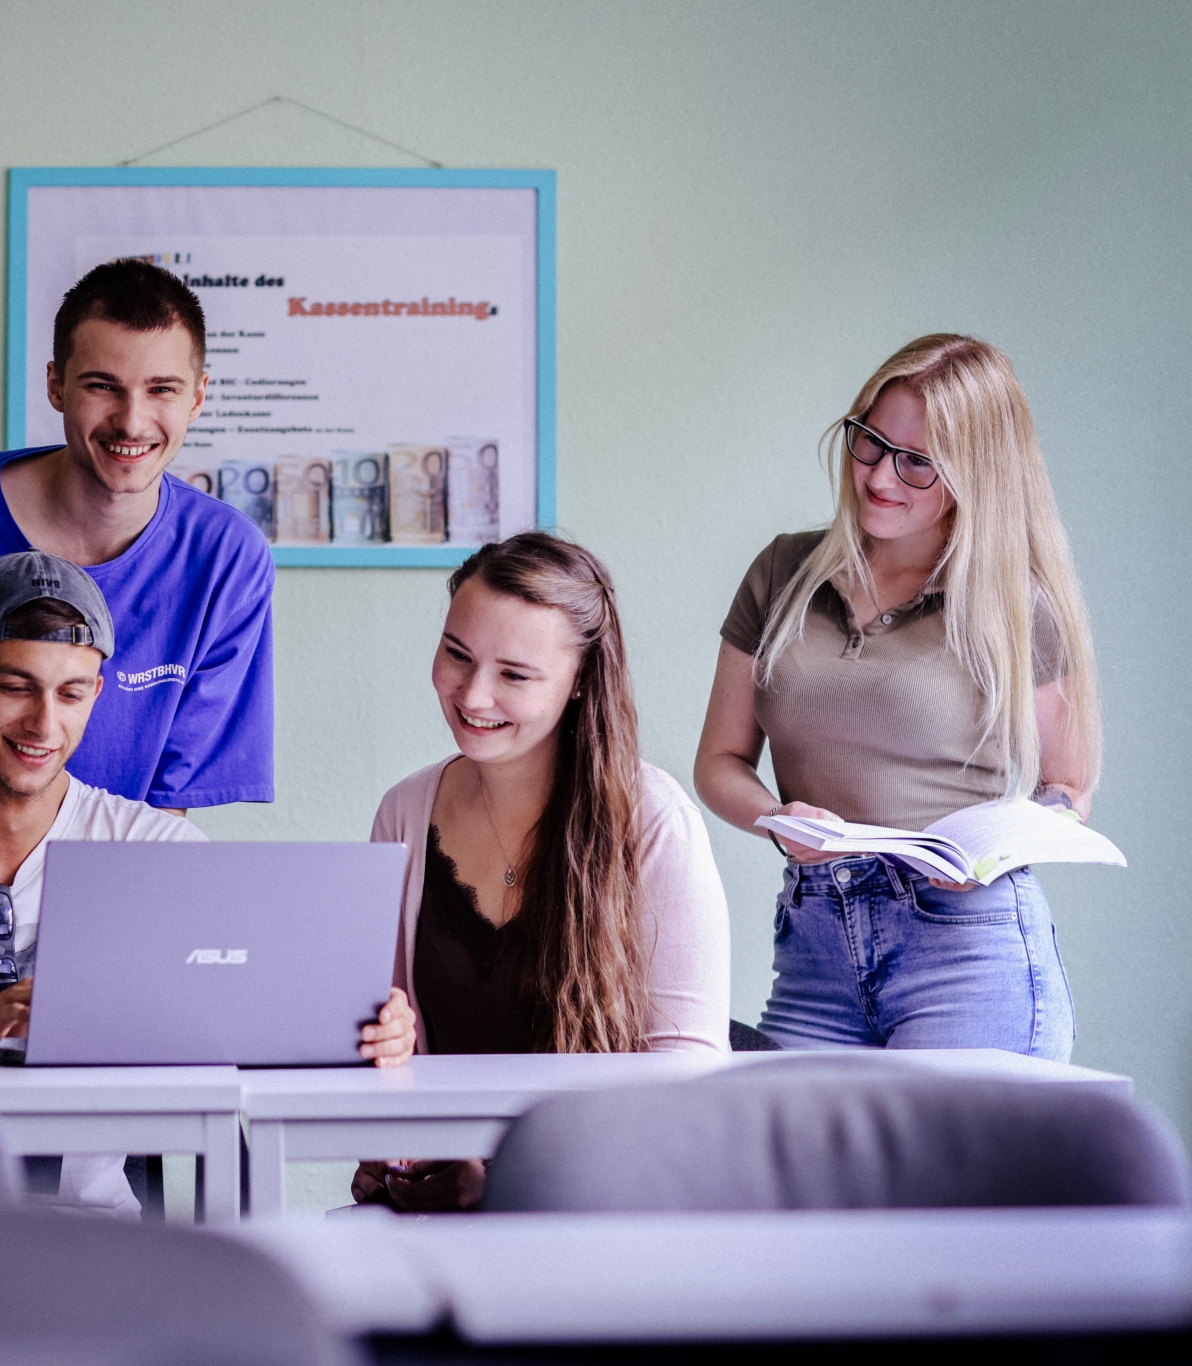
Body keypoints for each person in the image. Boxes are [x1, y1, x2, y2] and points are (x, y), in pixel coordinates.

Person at [0, 552, 413, 1212]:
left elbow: (254, 1009)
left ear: (96, 694)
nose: (44, 724)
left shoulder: (150, 847)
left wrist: (370, 1027)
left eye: (70, 694)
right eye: (15, 687)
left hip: (92, 1235)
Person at [694, 333, 1100, 1060]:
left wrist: (990, 852)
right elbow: (720, 762)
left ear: (976, 475)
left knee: (948, 1147)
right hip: (817, 942)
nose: (881, 476)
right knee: (783, 1135)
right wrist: (777, 820)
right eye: (871, 443)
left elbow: (1068, 788)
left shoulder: (1013, 604)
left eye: (916, 461)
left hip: (966, 949)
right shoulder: (783, 571)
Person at [352, 532, 731, 1212]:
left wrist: (502, 1182)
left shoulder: (654, 822)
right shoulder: (404, 812)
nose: (473, 695)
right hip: (442, 1223)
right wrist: (397, 1151)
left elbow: (684, 1098)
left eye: (515, 676)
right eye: (457, 654)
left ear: (580, 680)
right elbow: (391, 1054)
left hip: (609, 1219)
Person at [0, 258, 272, 813]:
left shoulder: (227, 558)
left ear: (198, 398)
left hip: (113, 866)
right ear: (56, 384)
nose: (132, 422)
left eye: (162, 389)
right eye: (102, 386)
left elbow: (167, 815)